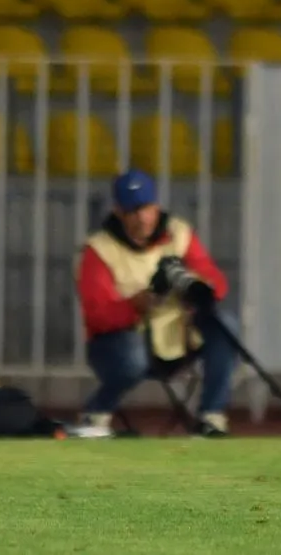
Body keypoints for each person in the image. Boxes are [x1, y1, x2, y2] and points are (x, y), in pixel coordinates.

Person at [72, 168, 237, 438]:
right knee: (132, 354)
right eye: (133, 211)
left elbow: (214, 280)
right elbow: (97, 315)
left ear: (157, 205)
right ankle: (97, 411)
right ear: (118, 212)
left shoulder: (179, 234)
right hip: (123, 345)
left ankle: (212, 416)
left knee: (226, 324)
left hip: (178, 335)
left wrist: (196, 290)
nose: (142, 218)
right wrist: (135, 305)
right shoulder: (98, 249)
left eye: (147, 208)